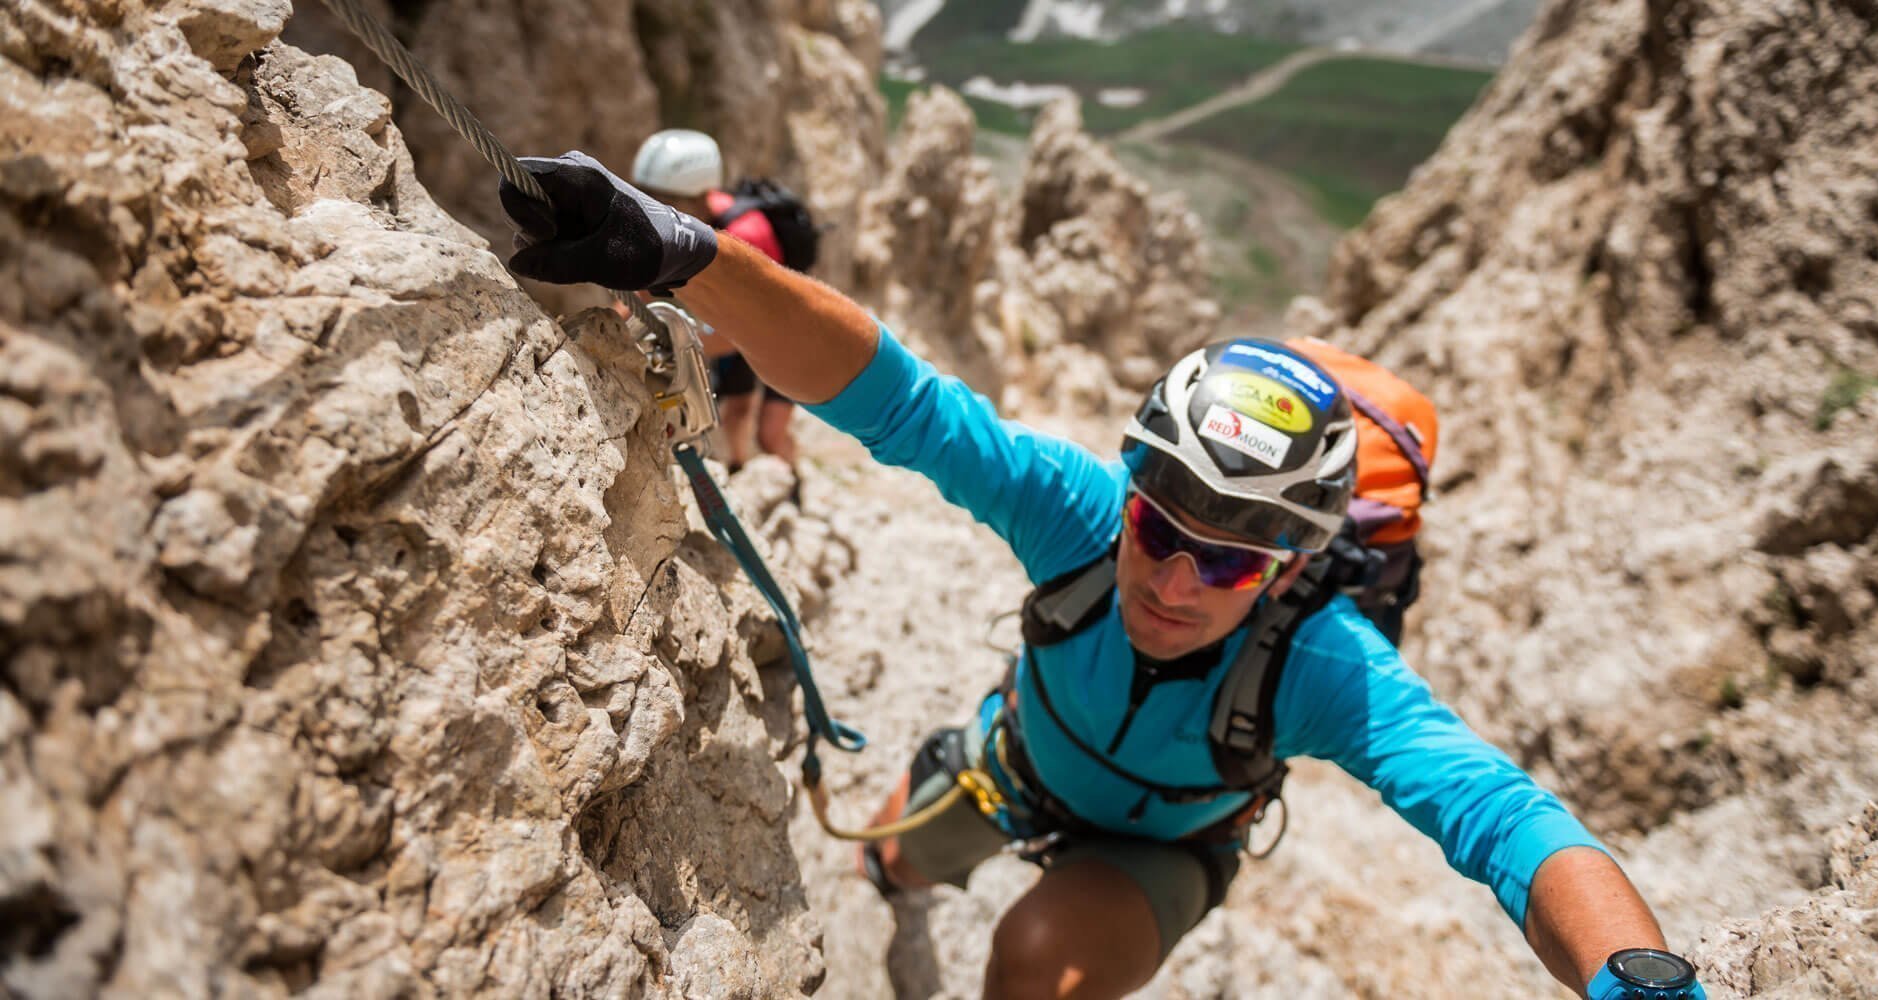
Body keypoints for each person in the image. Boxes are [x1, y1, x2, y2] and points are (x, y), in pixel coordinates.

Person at [497, 152, 1710, 1000]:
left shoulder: (1323, 659)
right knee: (891, 860)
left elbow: (1506, 820)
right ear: (1128, 497)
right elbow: (900, 399)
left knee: (1032, 963)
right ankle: (891, 870)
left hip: (1159, 857)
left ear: (1286, 569)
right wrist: (682, 254)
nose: (1177, 576)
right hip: (1008, 763)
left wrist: (1636, 979)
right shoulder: (1077, 517)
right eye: (1161, 527)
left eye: (1229, 556)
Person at [627, 129, 797, 472]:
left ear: (700, 195)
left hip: (781, 325)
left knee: (769, 432)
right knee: (735, 417)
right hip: (735, 318)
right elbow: (641, 289)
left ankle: (791, 481)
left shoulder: (745, 236)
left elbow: (749, 330)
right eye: (647, 196)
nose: (653, 209)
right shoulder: (675, 225)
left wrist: (677, 349)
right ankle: (736, 472)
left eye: (664, 198)